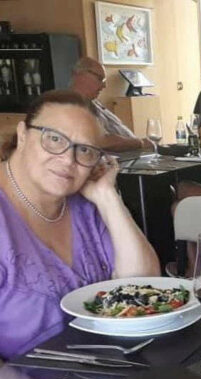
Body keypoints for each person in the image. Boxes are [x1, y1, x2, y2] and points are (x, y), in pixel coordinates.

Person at [0, 90, 160, 359]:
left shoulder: (83, 205)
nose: (67, 160)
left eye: (84, 150)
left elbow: (143, 285)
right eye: (53, 139)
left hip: (110, 372)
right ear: (23, 133)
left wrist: (107, 198)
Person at [69, 57, 153, 153]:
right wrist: (140, 143)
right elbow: (103, 142)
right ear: (80, 75)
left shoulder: (94, 103)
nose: (104, 86)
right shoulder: (69, 106)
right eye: (100, 79)